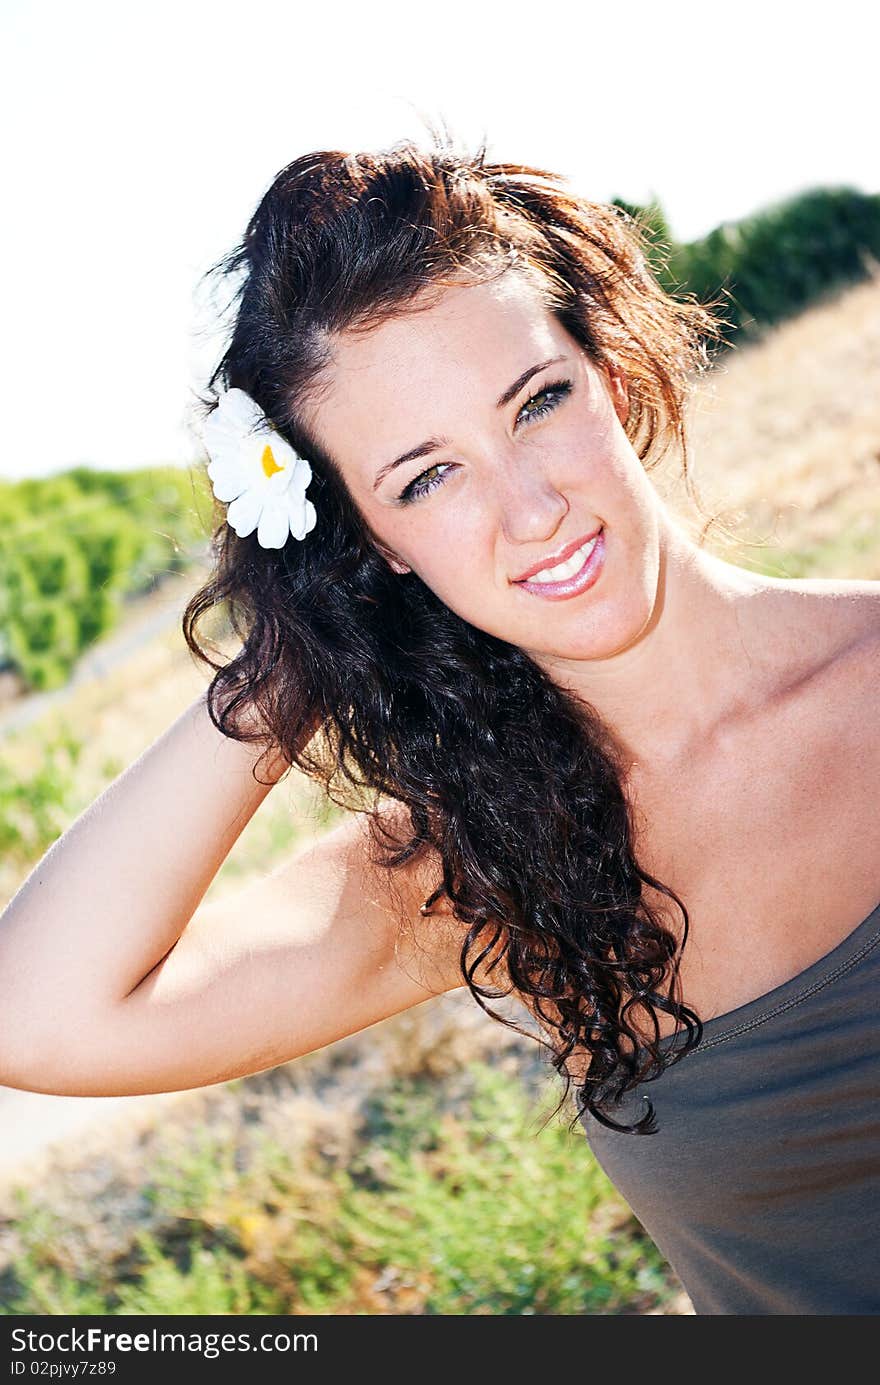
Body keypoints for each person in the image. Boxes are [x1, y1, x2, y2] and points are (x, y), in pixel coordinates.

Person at [1, 138, 878, 1317]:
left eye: (537, 402)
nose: (531, 507)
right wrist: (289, 659)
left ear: (605, 373)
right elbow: (43, 1017)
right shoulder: (476, 870)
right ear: (372, 544)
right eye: (426, 478)